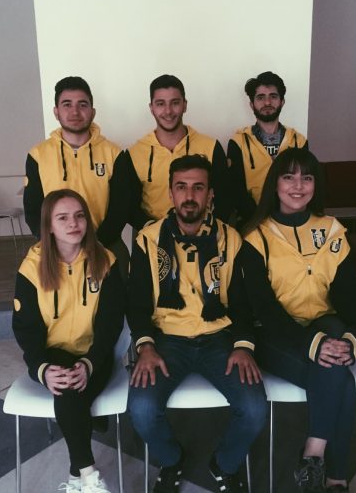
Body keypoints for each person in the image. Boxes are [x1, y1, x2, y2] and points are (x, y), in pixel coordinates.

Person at [127, 155, 266, 493]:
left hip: (219, 338)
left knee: (254, 409)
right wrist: (145, 346)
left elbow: (243, 303)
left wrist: (243, 345)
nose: (189, 195)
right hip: (167, 341)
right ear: (171, 193)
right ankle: (172, 460)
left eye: (198, 187)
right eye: (181, 187)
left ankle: (225, 464)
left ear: (210, 194)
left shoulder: (230, 239)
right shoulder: (147, 239)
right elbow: (137, 303)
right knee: (142, 409)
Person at [239, 148, 356, 493]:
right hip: (275, 337)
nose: (298, 186)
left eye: (307, 178)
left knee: (335, 340)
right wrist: (315, 344)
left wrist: (351, 342)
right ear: (275, 184)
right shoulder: (256, 237)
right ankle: (336, 477)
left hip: (325, 328)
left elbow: (352, 305)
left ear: (316, 185)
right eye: (289, 177)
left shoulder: (331, 231)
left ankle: (313, 456)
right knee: (339, 379)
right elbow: (264, 310)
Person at [12, 189, 125, 493]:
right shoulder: (32, 268)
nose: (73, 223)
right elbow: (26, 330)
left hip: (95, 354)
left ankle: (80, 476)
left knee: (72, 390)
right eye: (62, 218)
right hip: (53, 355)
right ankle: (88, 477)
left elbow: (110, 323)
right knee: (66, 383)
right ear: (48, 226)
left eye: (79, 216)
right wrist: (42, 369)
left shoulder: (106, 261)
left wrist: (90, 363)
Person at [113, 75, 231, 231]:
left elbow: (225, 200)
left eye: (175, 103)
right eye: (160, 104)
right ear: (151, 108)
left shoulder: (211, 147)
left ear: (185, 105)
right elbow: (129, 208)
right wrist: (157, 232)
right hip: (152, 235)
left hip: (203, 234)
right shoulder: (134, 154)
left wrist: (204, 231)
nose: (168, 111)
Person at [23, 76, 125, 250]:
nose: (75, 112)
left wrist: (96, 244)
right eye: (67, 104)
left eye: (82, 105)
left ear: (93, 112)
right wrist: (54, 244)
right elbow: (33, 210)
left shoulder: (114, 153)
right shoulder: (38, 155)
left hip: (105, 245)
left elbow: (120, 209)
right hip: (56, 249)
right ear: (56, 112)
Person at [227, 71, 308, 226]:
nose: (267, 102)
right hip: (252, 222)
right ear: (252, 104)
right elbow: (236, 191)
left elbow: (305, 185)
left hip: (291, 220)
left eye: (273, 96)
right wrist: (259, 221)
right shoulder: (238, 142)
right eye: (260, 97)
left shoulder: (299, 141)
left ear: (282, 102)